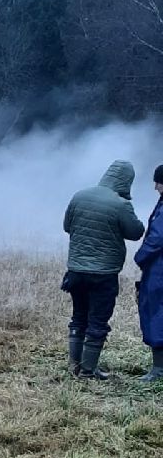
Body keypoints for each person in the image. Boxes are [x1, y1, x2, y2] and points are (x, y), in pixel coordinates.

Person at [63, 160, 145, 379]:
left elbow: (66, 226)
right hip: (103, 274)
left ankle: (74, 367)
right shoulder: (120, 204)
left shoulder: (79, 195)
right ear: (127, 181)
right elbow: (136, 232)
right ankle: (88, 372)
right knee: (98, 321)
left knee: (78, 317)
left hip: (76, 271)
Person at [135, 164, 163, 382]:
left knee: (156, 312)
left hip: (159, 270)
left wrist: (140, 257)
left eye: (159, 182)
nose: (155, 187)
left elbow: (157, 238)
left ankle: (158, 369)